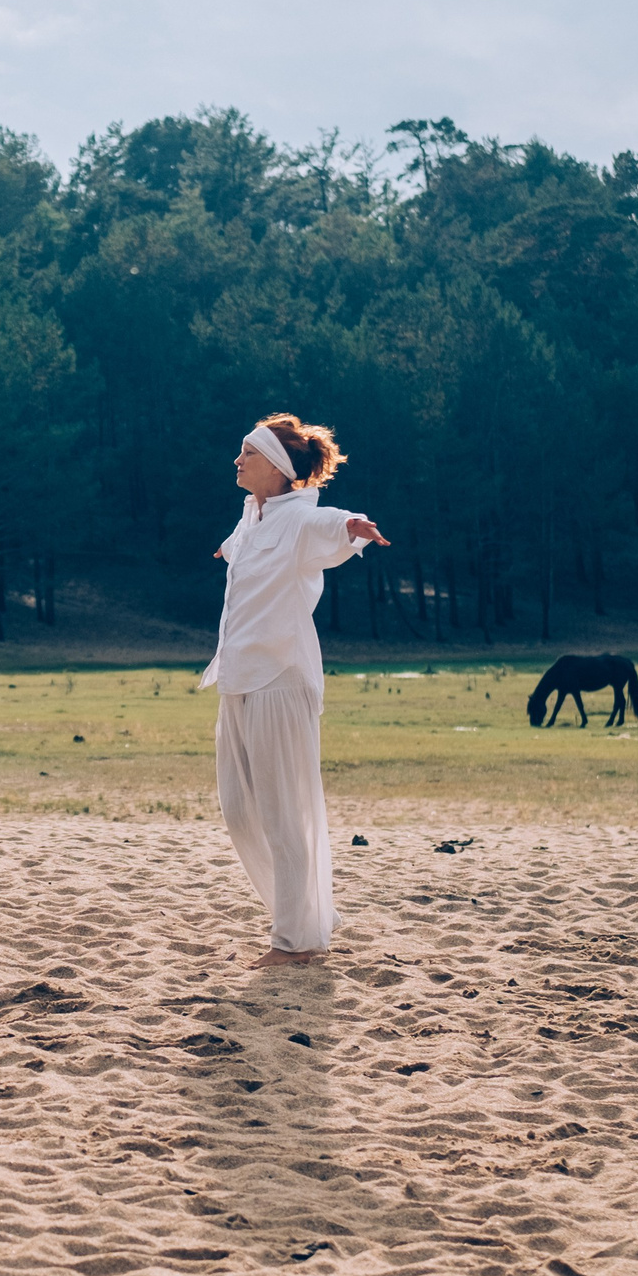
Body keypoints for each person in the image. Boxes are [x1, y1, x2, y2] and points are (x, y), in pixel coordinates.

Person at [205, 413, 387, 966]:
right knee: (238, 809)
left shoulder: (300, 521)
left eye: (248, 454)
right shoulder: (252, 517)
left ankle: (294, 942)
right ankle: (308, 915)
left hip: (280, 679)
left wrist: (354, 525)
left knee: (284, 814)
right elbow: (243, 551)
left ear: (280, 469)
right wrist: (226, 549)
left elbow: (331, 524)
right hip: (238, 676)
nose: (237, 461)